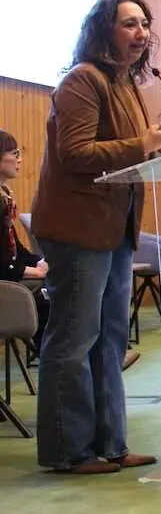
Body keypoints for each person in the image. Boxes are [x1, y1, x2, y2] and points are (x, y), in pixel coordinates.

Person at [31, 0, 161, 474]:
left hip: (115, 230)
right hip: (78, 230)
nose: (141, 33)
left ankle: (111, 445)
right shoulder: (82, 81)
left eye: (145, 23)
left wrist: (154, 147)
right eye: (129, 24)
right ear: (104, 30)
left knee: (110, 341)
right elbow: (76, 153)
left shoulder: (127, 86)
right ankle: (68, 451)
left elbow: (123, 151)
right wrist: (143, 142)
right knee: (74, 340)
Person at [0, 131, 49, 354]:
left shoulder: (4, 195)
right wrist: (34, 271)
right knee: (50, 301)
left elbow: (14, 248)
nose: (20, 159)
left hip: (8, 276)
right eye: (14, 153)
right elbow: (3, 263)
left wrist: (39, 261)